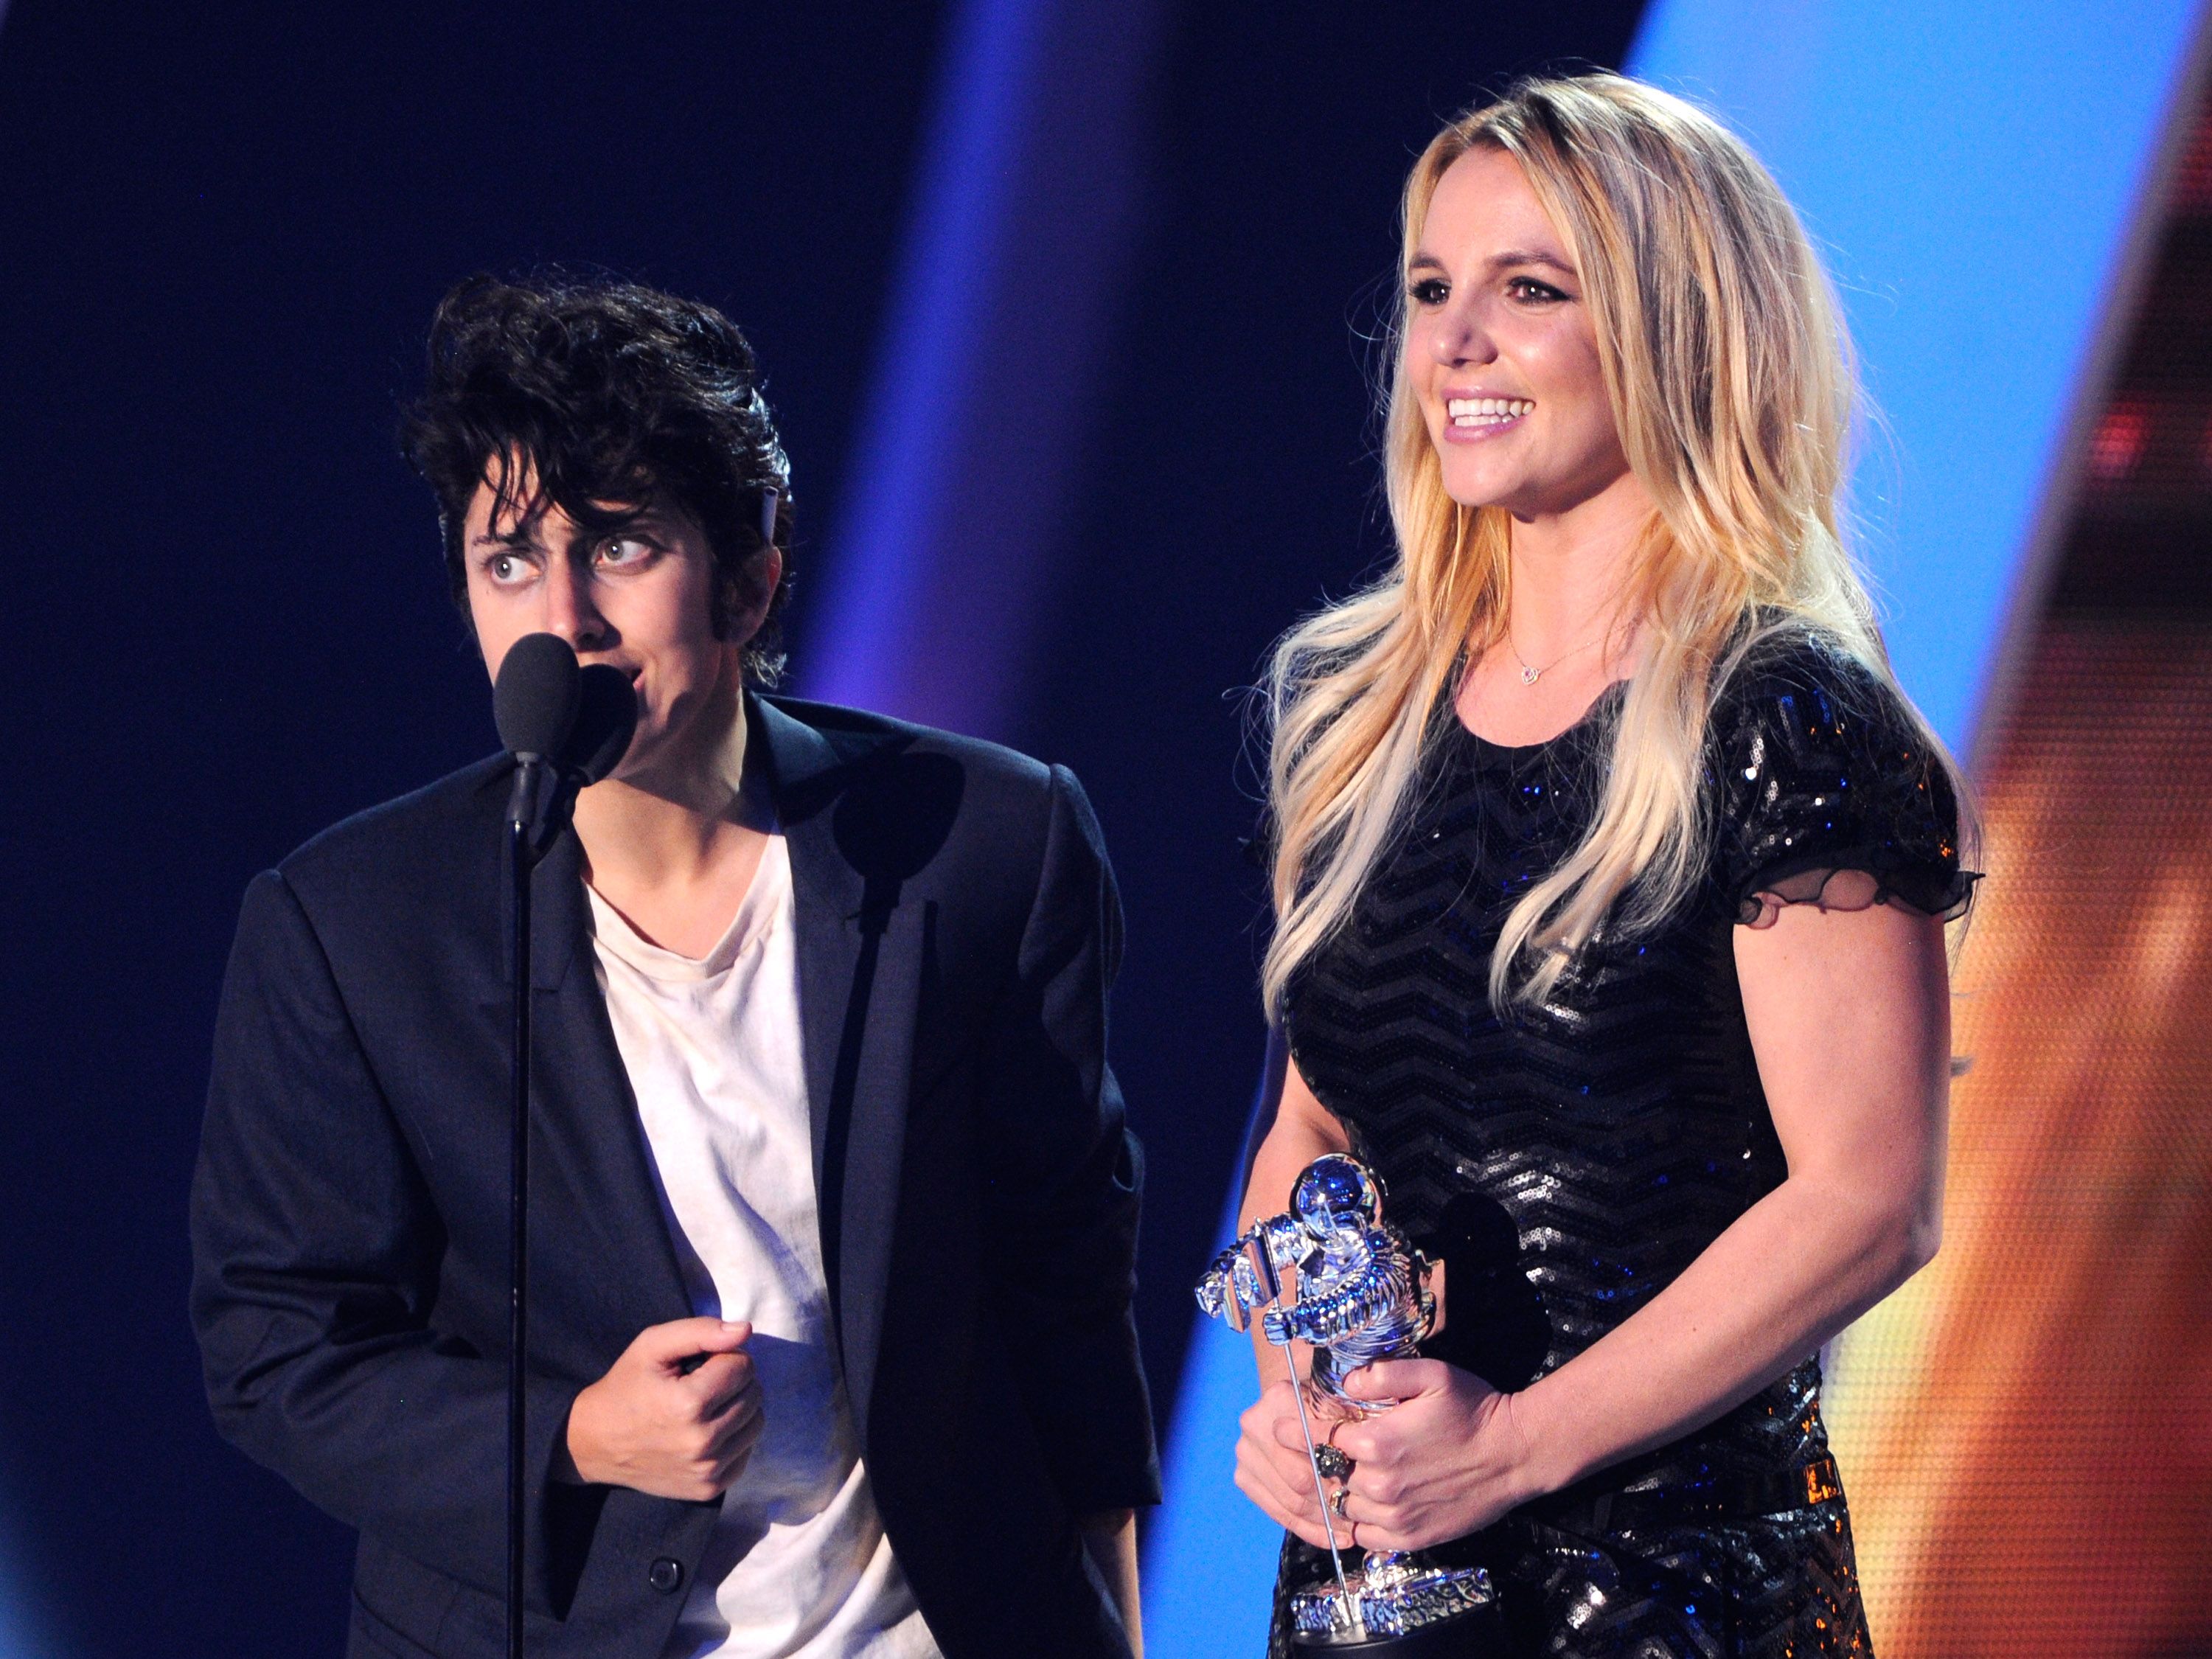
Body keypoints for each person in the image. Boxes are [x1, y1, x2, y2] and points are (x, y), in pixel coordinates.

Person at [189, 275, 1157, 1659]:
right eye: (510, 560)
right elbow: (277, 1346)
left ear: (751, 578)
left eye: (620, 545)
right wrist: (575, 1434)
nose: (565, 617)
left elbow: (1067, 1284)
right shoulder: (349, 926)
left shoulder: (989, 841)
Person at [1234, 74, 1975, 1656]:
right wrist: (1305, 1399)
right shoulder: (1361, 713)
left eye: (1530, 291)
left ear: (1677, 331)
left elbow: (1868, 1198)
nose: (1455, 342)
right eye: (1432, 289)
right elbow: (1317, 1121)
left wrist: (1514, 1444)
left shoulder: (1782, 718)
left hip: (1669, 1596)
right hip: (1389, 1589)